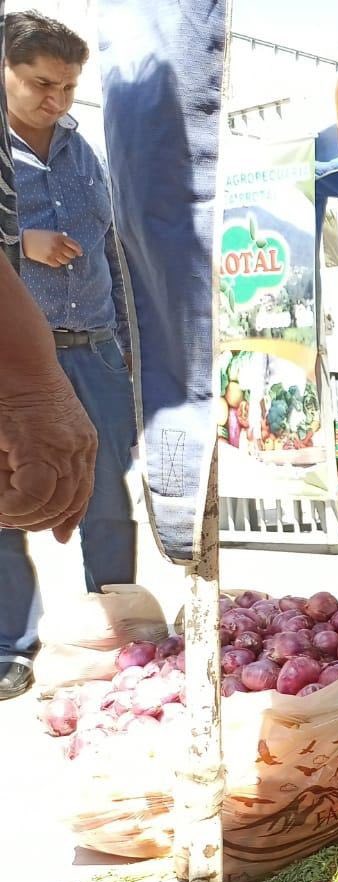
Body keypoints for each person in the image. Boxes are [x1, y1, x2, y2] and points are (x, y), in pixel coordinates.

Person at [1, 11, 134, 703]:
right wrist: (21, 241)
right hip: (16, 369)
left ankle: (116, 633)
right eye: (39, 84)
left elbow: (113, 251)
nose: (55, 100)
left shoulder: (84, 153)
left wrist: (128, 352)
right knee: (8, 500)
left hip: (97, 353)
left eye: (69, 87)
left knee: (107, 496)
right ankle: (9, 646)